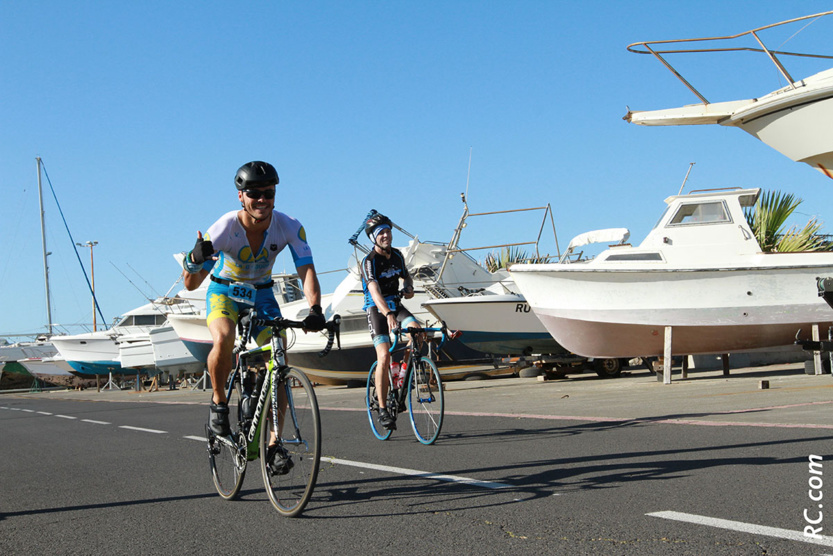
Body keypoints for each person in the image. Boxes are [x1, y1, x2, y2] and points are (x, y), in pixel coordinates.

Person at [181, 161, 325, 472]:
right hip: (225, 292)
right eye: (254, 193)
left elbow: (307, 270)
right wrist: (194, 259)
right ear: (241, 196)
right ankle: (219, 404)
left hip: (261, 293)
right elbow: (191, 283)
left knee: (279, 358)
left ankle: (274, 444)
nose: (262, 200)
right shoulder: (224, 228)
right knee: (224, 338)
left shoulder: (288, 225)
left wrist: (316, 308)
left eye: (268, 193)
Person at [360, 213, 419, 430]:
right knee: (383, 355)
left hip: (396, 303)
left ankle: (403, 375)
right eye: (381, 233)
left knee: (417, 331)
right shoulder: (369, 262)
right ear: (374, 237)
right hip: (377, 308)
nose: (386, 235)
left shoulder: (397, 255)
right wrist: (387, 313)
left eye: (387, 231)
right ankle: (383, 409)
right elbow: (374, 291)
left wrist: (409, 287)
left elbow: (407, 276)